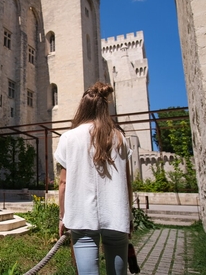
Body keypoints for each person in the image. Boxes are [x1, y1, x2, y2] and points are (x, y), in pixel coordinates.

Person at [54, 81, 133, 275]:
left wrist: (62, 217)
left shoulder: (69, 138)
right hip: (116, 215)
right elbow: (127, 183)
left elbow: (63, 183)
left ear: (83, 108)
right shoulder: (119, 138)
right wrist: (128, 213)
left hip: (82, 217)